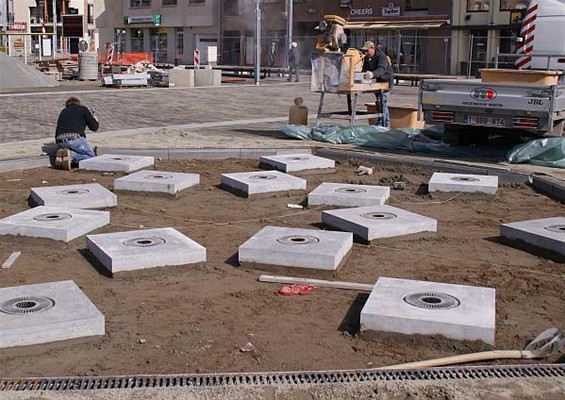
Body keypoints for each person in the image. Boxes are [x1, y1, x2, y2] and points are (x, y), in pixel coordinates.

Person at [54, 97, 99, 170]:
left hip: (59, 141)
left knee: (75, 148)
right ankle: (72, 156)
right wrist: (95, 120)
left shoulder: (63, 111)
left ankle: (63, 156)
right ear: (78, 103)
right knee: (91, 157)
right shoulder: (83, 109)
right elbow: (94, 127)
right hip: (75, 138)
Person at [361, 40, 394, 127]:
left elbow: (381, 69)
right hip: (378, 81)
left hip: (386, 81)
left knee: (382, 101)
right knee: (380, 103)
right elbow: (363, 68)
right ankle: (383, 122)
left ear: (373, 49)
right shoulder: (367, 58)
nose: (365, 53)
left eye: (367, 51)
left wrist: (372, 74)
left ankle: (384, 124)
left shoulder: (381, 57)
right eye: (364, 51)